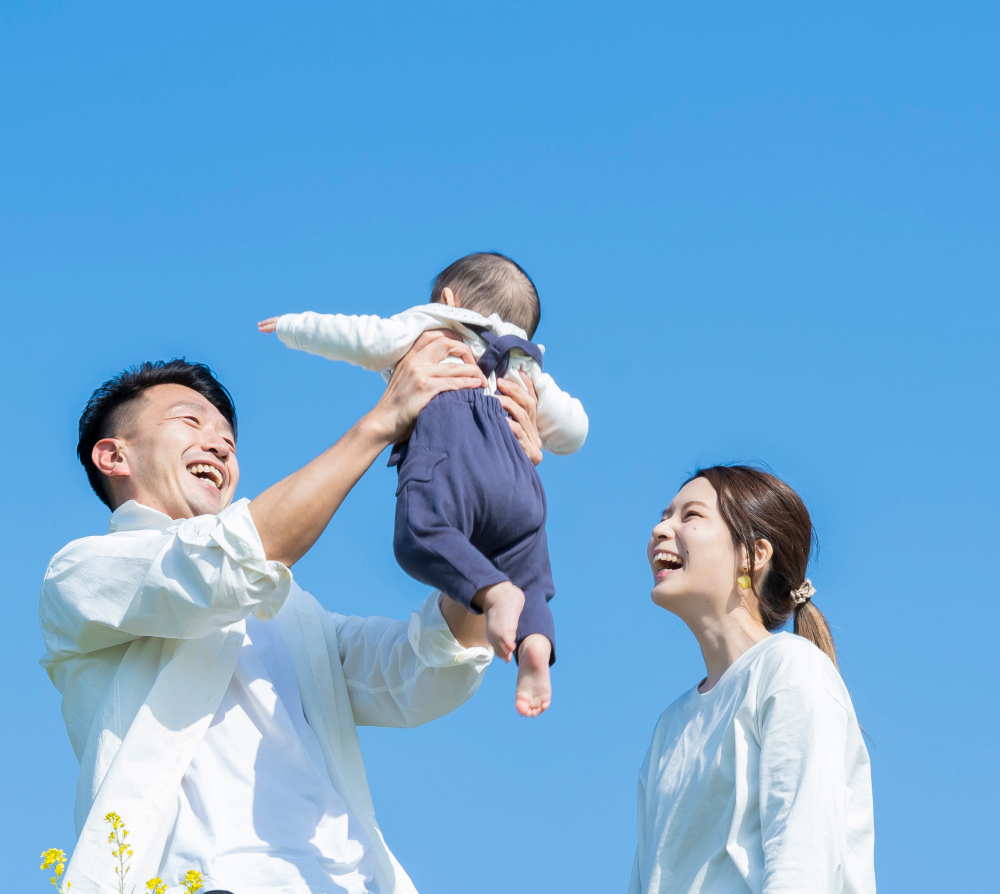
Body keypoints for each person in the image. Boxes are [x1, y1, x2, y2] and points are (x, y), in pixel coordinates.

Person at [40, 333, 542, 894]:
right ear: (114, 456)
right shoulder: (83, 573)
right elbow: (228, 562)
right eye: (190, 423)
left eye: (228, 437)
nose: (220, 446)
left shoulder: (292, 614)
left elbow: (422, 674)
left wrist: (494, 483)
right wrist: (381, 421)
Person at [259, 252, 588, 717]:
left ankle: (492, 593)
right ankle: (536, 641)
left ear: (449, 298)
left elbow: (363, 336)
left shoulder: (433, 327)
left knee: (421, 535)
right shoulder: (525, 364)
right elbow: (573, 431)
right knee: (529, 571)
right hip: (522, 476)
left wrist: (295, 327)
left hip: (454, 459)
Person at [629, 465, 875, 894]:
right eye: (665, 514)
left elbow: (805, 862)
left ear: (752, 555)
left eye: (690, 516)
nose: (660, 529)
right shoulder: (670, 726)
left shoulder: (790, 670)